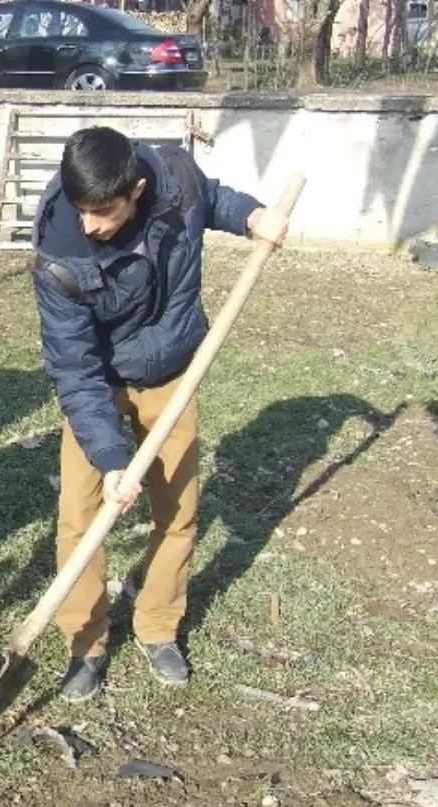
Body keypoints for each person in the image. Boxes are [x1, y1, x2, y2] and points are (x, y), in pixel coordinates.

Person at [31, 126, 287, 702]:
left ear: (138, 190)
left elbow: (215, 199)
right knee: (80, 516)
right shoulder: (58, 254)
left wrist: (253, 216)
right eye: (82, 211)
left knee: (177, 509)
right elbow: (74, 370)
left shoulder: (177, 180)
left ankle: (157, 626)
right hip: (99, 379)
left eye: (104, 211)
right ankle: (85, 641)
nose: (92, 225)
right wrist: (112, 457)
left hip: (172, 370)